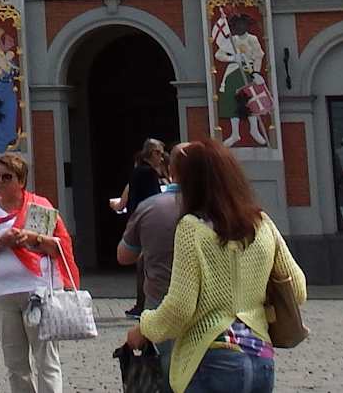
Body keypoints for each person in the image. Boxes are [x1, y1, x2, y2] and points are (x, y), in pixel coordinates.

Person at [126, 139, 306, 393]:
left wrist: (144, 327)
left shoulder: (192, 229)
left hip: (213, 359)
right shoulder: (263, 223)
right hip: (261, 359)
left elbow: (180, 308)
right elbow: (297, 289)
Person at [0, 151, 79, 393]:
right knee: (15, 365)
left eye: (6, 177)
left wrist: (33, 239)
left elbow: (59, 248)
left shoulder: (39, 206)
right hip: (3, 295)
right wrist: (1, 242)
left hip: (38, 292)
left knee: (46, 362)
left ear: (21, 181)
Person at [119, 151, 186, 345]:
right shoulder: (223, 209)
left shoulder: (152, 207)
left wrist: (143, 329)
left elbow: (123, 256)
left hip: (161, 303)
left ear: (171, 170)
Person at [110, 139, 170, 314]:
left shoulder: (138, 171)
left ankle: (141, 304)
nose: (161, 157)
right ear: (150, 153)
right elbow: (155, 199)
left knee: (142, 263)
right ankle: (143, 304)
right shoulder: (148, 173)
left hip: (139, 220)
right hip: (149, 223)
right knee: (145, 263)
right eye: (158, 153)